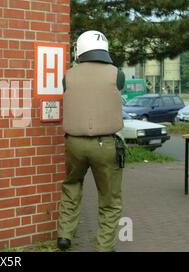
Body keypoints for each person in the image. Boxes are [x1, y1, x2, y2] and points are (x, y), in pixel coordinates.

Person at [57, 30, 125, 252]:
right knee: (109, 198)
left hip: (74, 143)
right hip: (105, 145)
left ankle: (65, 235)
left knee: (72, 185)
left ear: (80, 49)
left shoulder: (69, 75)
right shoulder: (117, 74)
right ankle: (104, 247)